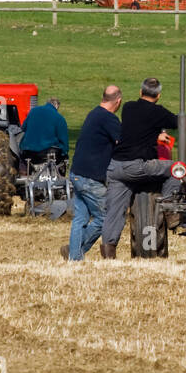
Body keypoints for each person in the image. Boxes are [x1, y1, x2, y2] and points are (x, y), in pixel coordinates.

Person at [97, 77, 186, 259]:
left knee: (114, 212)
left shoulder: (128, 107)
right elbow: (182, 122)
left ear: (141, 92)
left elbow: (138, 130)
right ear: (159, 95)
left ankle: (108, 254)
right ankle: (170, 209)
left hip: (115, 167)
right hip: (137, 165)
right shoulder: (158, 112)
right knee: (177, 168)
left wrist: (156, 135)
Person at [62, 85, 122, 261]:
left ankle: (74, 257)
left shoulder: (93, 113)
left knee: (80, 218)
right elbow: (123, 143)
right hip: (91, 178)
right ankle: (75, 252)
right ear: (118, 101)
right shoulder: (109, 119)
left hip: (76, 173)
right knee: (105, 217)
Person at [19, 97, 70, 164]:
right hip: (47, 152)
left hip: (28, 151)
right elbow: (64, 140)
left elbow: (23, 128)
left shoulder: (33, 111)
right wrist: (64, 153)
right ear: (57, 106)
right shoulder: (59, 117)